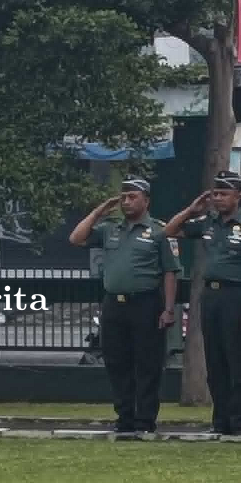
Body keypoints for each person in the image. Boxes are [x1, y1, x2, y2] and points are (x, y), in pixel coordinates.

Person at [69, 177, 181, 435]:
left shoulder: (159, 231)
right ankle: (125, 418)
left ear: (146, 200)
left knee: (147, 365)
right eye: (124, 197)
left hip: (145, 303)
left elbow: (170, 272)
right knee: (117, 363)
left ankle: (145, 420)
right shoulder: (110, 228)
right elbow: (76, 238)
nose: (127, 202)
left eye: (133, 197)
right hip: (114, 304)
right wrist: (99, 211)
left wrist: (168, 309)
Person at [166, 171, 241, 435]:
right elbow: (169, 230)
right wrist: (191, 210)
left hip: (235, 296)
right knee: (215, 362)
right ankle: (220, 421)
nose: (218, 199)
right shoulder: (207, 223)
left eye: (224, 194)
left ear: (238, 196)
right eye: (216, 194)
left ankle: (239, 421)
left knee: (237, 362)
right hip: (209, 296)